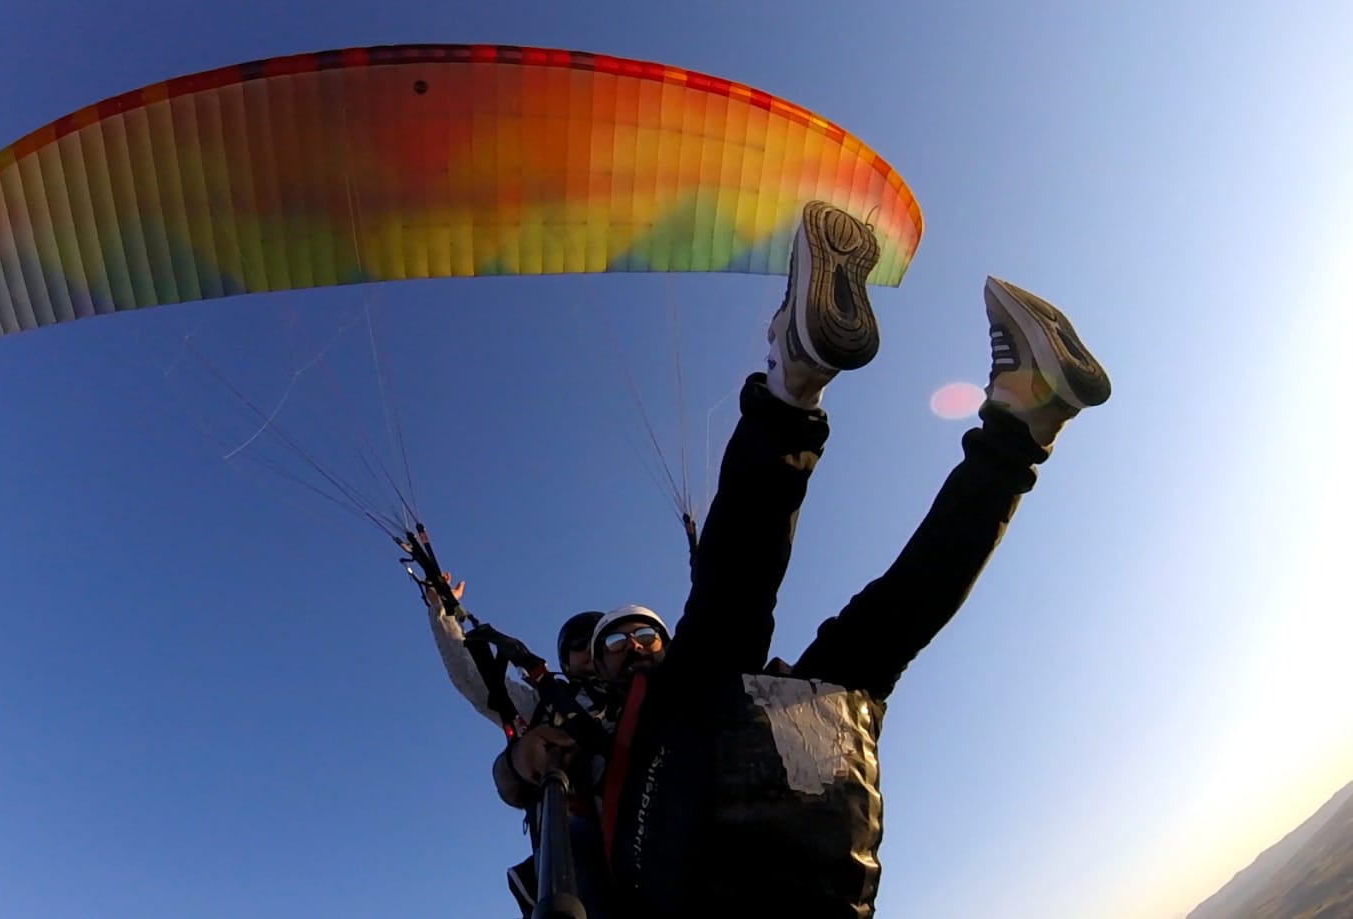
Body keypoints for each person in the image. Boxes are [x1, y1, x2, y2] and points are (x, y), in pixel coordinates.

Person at [501, 200, 1112, 917]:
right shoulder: (572, 719)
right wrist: (521, 757)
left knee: (854, 637)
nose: (636, 644)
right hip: (700, 856)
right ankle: (829, 384)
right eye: (617, 641)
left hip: (766, 817)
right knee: (838, 631)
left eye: (646, 634)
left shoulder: (674, 680)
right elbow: (512, 768)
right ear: (593, 664)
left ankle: (1018, 411)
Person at [423, 581, 614, 916]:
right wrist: (442, 615)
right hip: (579, 837)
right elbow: (476, 681)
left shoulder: (645, 688)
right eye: (580, 645)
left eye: (600, 643)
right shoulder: (545, 703)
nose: (590, 652)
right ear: (565, 662)